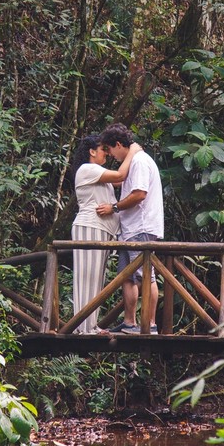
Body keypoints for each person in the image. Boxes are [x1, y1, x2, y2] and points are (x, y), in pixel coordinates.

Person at [96, 123, 164, 334]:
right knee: (127, 276)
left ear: (118, 144)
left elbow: (139, 194)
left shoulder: (140, 161)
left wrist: (114, 207)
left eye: (110, 150)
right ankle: (130, 323)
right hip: (130, 228)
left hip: (142, 226)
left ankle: (150, 324)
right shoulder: (133, 160)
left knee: (145, 275)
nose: (111, 155)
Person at [70, 135, 141, 334]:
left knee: (97, 280)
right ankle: (82, 328)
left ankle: (90, 325)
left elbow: (121, 180)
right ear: (92, 152)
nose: (106, 154)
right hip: (89, 228)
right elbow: (120, 176)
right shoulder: (87, 169)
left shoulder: (99, 173)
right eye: (103, 150)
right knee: (86, 278)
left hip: (101, 230)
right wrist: (133, 151)